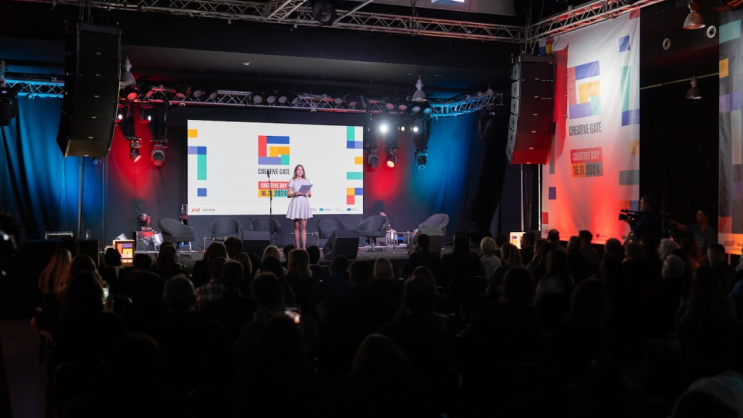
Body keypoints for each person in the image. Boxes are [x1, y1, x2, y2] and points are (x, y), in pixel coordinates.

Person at [286, 164, 313, 249]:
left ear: (303, 171)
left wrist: (308, 193)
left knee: (304, 226)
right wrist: (294, 193)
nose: (300, 171)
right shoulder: (292, 180)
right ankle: (297, 247)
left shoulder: (306, 181)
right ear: (295, 171)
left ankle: (304, 247)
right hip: (296, 202)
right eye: (298, 169)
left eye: (301, 170)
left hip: (304, 202)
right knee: (296, 226)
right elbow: (288, 195)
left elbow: (310, 195)